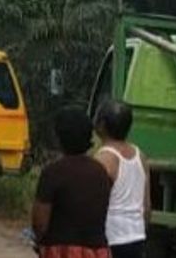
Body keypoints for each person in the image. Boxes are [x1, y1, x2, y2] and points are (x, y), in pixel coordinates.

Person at [32, 107, 112, 258]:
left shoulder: (52, 173)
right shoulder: (101, 172)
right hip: (96, 251)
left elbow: (40, 224)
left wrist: (39, 241)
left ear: (59, 137)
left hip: (60, 251)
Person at [94, 99, 149, 258]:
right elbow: (146, 205)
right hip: (137, 237)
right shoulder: (141, 156)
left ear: (102, 125)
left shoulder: (104, 159)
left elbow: (94, 205)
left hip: (111, 239)